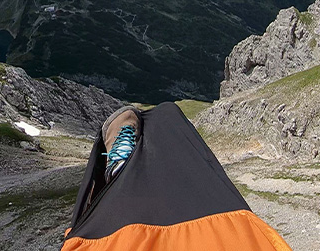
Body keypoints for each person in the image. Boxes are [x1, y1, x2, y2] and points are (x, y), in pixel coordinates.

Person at [61, 102, 293, 250]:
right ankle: (153, 157)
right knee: (169, 119)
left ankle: (125, 169)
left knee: (167, 121)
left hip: (112, 239)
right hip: (227, 234)